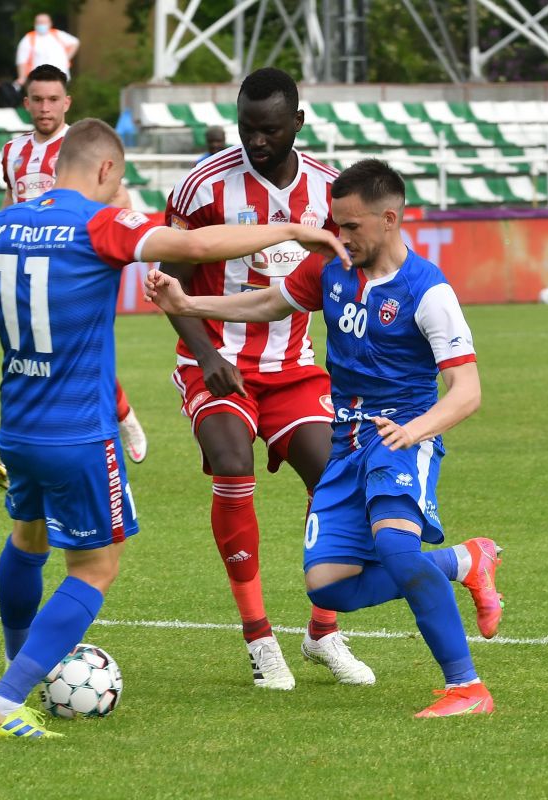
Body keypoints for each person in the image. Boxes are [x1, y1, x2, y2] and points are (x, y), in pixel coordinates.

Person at [0, 119, 350, 739]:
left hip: (17, 428)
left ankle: (16, 656)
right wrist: (295, 229)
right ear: (106, 170)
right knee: (94, 568)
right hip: (80, 433)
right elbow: (195, 248)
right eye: (121, 176)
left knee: (28, 541)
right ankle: (6, 699)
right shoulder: (101, 224)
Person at [147, 158, 506, 717]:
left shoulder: (428, 291)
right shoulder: (331, 269)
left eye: (353, 226)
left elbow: (467, 390)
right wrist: (188, 304)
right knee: (328, 587)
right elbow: (269, 302)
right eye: (336, 225)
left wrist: (412, 432)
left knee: (395, 547)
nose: (341, 237)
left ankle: (466, 687)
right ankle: (464, 561)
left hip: (400, 439)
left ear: (390, 219)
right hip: (348, 442)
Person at [161, 67, 371, 690]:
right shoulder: (201, 190)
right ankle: (260, 640)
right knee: (231, 463)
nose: (255, 141)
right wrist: (204, 356)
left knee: (333, 477)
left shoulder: (332, 195)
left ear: (297, 124)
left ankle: (322, 631)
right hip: (215, 359)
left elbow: (344, 283)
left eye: (269, 130)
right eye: (246, 127)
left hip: (294, 367)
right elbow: (164, 286)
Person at [0, 64, 148, 493]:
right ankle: (35, 449)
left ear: (67, 103)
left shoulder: (82, 147)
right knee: (27, 355)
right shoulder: (13, 152)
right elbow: (10, 200)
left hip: (75, 268)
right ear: (26, 103)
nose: (45, 107)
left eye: (53, 99)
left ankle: (116, 420)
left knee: (64, 355)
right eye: (37, 99)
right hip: (26, 270)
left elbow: (119, 198)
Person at [15, 13, 79, 89]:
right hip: (39, 79)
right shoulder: (29, 38)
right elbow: (22, 60)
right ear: (35, 24)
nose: (42, 24)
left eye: (44, 22)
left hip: (61, 77)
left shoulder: (57, 34)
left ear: (50, 23)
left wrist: (66, 58)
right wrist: (22, 77)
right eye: (39, 22)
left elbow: (75, 43)